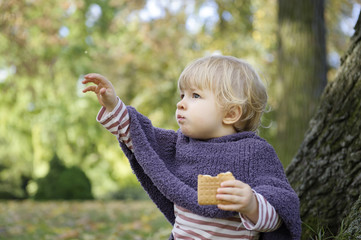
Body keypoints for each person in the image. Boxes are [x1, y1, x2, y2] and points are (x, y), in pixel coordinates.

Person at [82, 55, 301, 240]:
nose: (181, 103)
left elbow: (280, 210)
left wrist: (252, 204)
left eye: (195, 95)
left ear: (230, 114)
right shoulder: (178, 145)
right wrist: (113, 105)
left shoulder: (254, 153)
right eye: (182, 95)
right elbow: (140, 138)